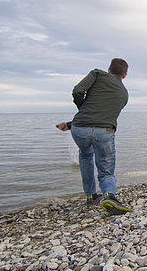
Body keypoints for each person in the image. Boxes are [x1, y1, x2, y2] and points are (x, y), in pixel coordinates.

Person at [56, 58, 130, 214]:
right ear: (124, 75)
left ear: (109, 69)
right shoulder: (124, 94)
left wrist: (79, 113)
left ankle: (90, 196)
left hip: (80, 129)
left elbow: (77, 91)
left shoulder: (97, 74)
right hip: (105, 131)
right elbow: (101, 116)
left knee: (85, 154)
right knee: (106, 167)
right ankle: (109, 195)